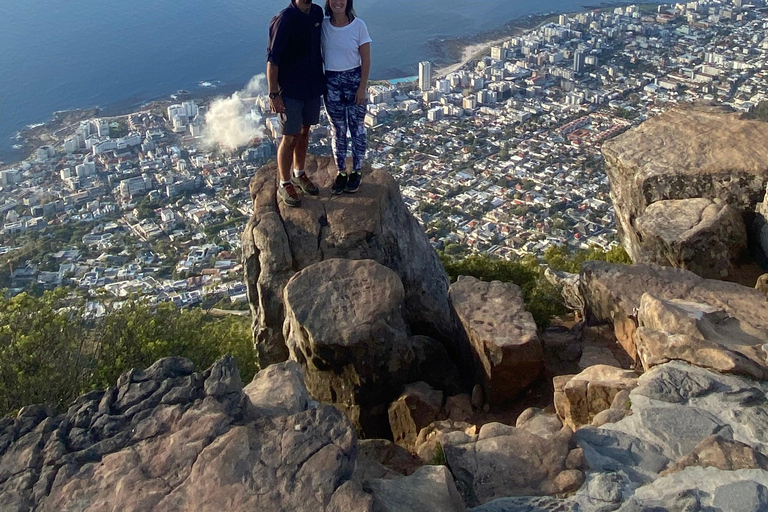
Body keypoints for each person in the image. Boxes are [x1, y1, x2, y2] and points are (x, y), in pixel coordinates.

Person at [267, 0, 325, 207]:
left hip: (311, 86)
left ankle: (299, 173)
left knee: (305, 130)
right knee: (289, 137)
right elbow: (273, 60)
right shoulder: (284, 19)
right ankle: (284, 183)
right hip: (290, 90)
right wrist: (274, 94)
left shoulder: (317, 12)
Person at [322, 0, 371, 194]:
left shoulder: (359, 26)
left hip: (354, 81)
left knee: (357, 128)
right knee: (338, 130)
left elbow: (366, 59)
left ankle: (357, 171)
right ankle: (341, 172)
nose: (338, 2)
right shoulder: (323, 26)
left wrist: (362, 88)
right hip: (331, 82)